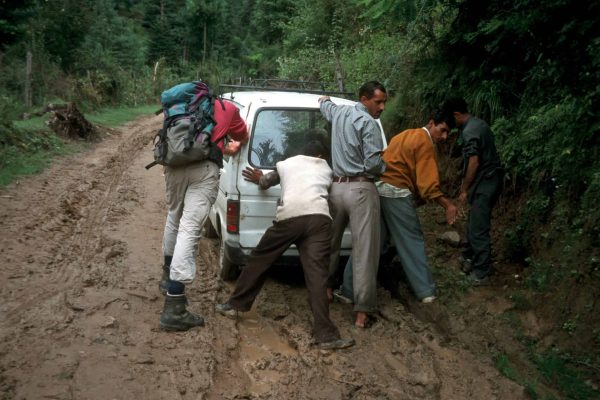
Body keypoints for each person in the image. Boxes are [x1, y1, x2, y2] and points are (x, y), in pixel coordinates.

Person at [215, 140, 355, 350]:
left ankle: (235, 305)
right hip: (319, 219)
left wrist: (258, 178)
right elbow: (334, 197)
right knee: (317, 276)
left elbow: (264, 182)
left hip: (290, 218)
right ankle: (326, 336)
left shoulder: (286, 164)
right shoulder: (327, 167)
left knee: (260, 259)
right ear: (319, 156)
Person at [335, 109, 459, 303]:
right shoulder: (424, 142)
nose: (443, 136)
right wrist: (447, 205)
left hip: (377, 190)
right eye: (442, 130)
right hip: (395, 192)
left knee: (370, 244)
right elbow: (428, 185)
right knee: (411, 241)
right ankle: (426, 292)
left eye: (446, 133)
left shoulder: (404, 135)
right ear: (432, 123)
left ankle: (348, 291)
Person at [159, 99, 248, 331]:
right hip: (204, 170)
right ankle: (174, 306)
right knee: (189, 228)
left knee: (174, 216)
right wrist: (228, 144)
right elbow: (243, 134)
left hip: (173, 167)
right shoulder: (228, 108)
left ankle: (166, 276)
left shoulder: (181, 106)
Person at [319, 81, 387, 328]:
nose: (382, 107)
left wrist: (324, 100)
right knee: (364, 250)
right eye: (378, 102)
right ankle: (362, 311)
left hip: (336, 188)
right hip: (361, 189)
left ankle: (325, 289)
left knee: (330, 244)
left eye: (384, 102)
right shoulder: (369, 124)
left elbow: (324, 107)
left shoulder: (338, 112)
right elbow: (372, 165)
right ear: (364, 99)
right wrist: (386, 167)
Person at [442, 97, 503, 285]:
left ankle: (481, 273)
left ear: (457, 115)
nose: (450, 126)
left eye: (451, 121)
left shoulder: (469, 131)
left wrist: (464, 188)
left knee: (478, 228)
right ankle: (468, 257)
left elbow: (474, 162)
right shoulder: (478, 124)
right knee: (473, 222)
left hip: (486, 182)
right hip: (488, 179)